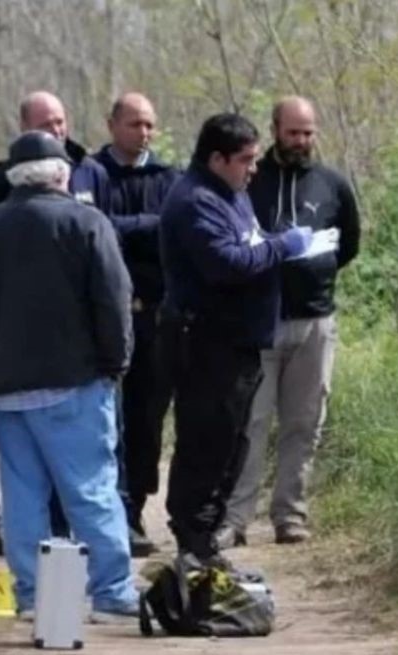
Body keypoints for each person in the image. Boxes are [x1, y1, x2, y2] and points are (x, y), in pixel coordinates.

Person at [0, 131, 139, 619]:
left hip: (4, 392)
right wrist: (116, 362)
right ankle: (112, 592)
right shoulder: (87, 222)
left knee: (23, 497)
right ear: (62, 175)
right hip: (74, 383)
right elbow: (113, 300)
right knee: (90, 490)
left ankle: (34, 596)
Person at [159, 113, 314, 567]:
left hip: (239, 344)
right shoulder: (196, 201)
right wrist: (284, 246)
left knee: (231, 444)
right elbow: (226, 262)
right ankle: (194, 543)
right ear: (217, 159)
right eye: (245, 160)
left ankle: (204, 544)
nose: (254, 168)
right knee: (207, 445)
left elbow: (250, 244)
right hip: (207, 345)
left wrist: (273, 243)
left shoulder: (233, 194)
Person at [219, 96, 361, 548]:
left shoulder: (332, 185)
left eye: (308, 133)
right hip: (259, 322)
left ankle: (290, 515)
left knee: (304, 423)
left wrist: (313, 273)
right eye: (293, 132)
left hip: (315, 322)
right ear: (275, 130)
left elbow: (349, 246)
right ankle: (235, 518)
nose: (301, 141)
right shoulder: (249, 182)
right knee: (251, 423)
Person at [92, 92, 179, 556]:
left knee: (147, 419)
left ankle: (135, 508)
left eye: (149, 124)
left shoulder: (169, 178)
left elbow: (175, 230)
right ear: (111, 125)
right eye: (134, 124)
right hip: (104, 318)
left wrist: (125, 226)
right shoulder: (91, 174)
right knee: (107, 421)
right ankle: (109, 511)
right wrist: (149, 224)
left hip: (156, 318)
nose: (143, 133)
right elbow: (95, 229)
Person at [0, 91, 110, 215]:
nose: (56, 130)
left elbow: (105, 227)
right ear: (25, 127)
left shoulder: (91, 172)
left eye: (59, 122)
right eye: (46, 125)